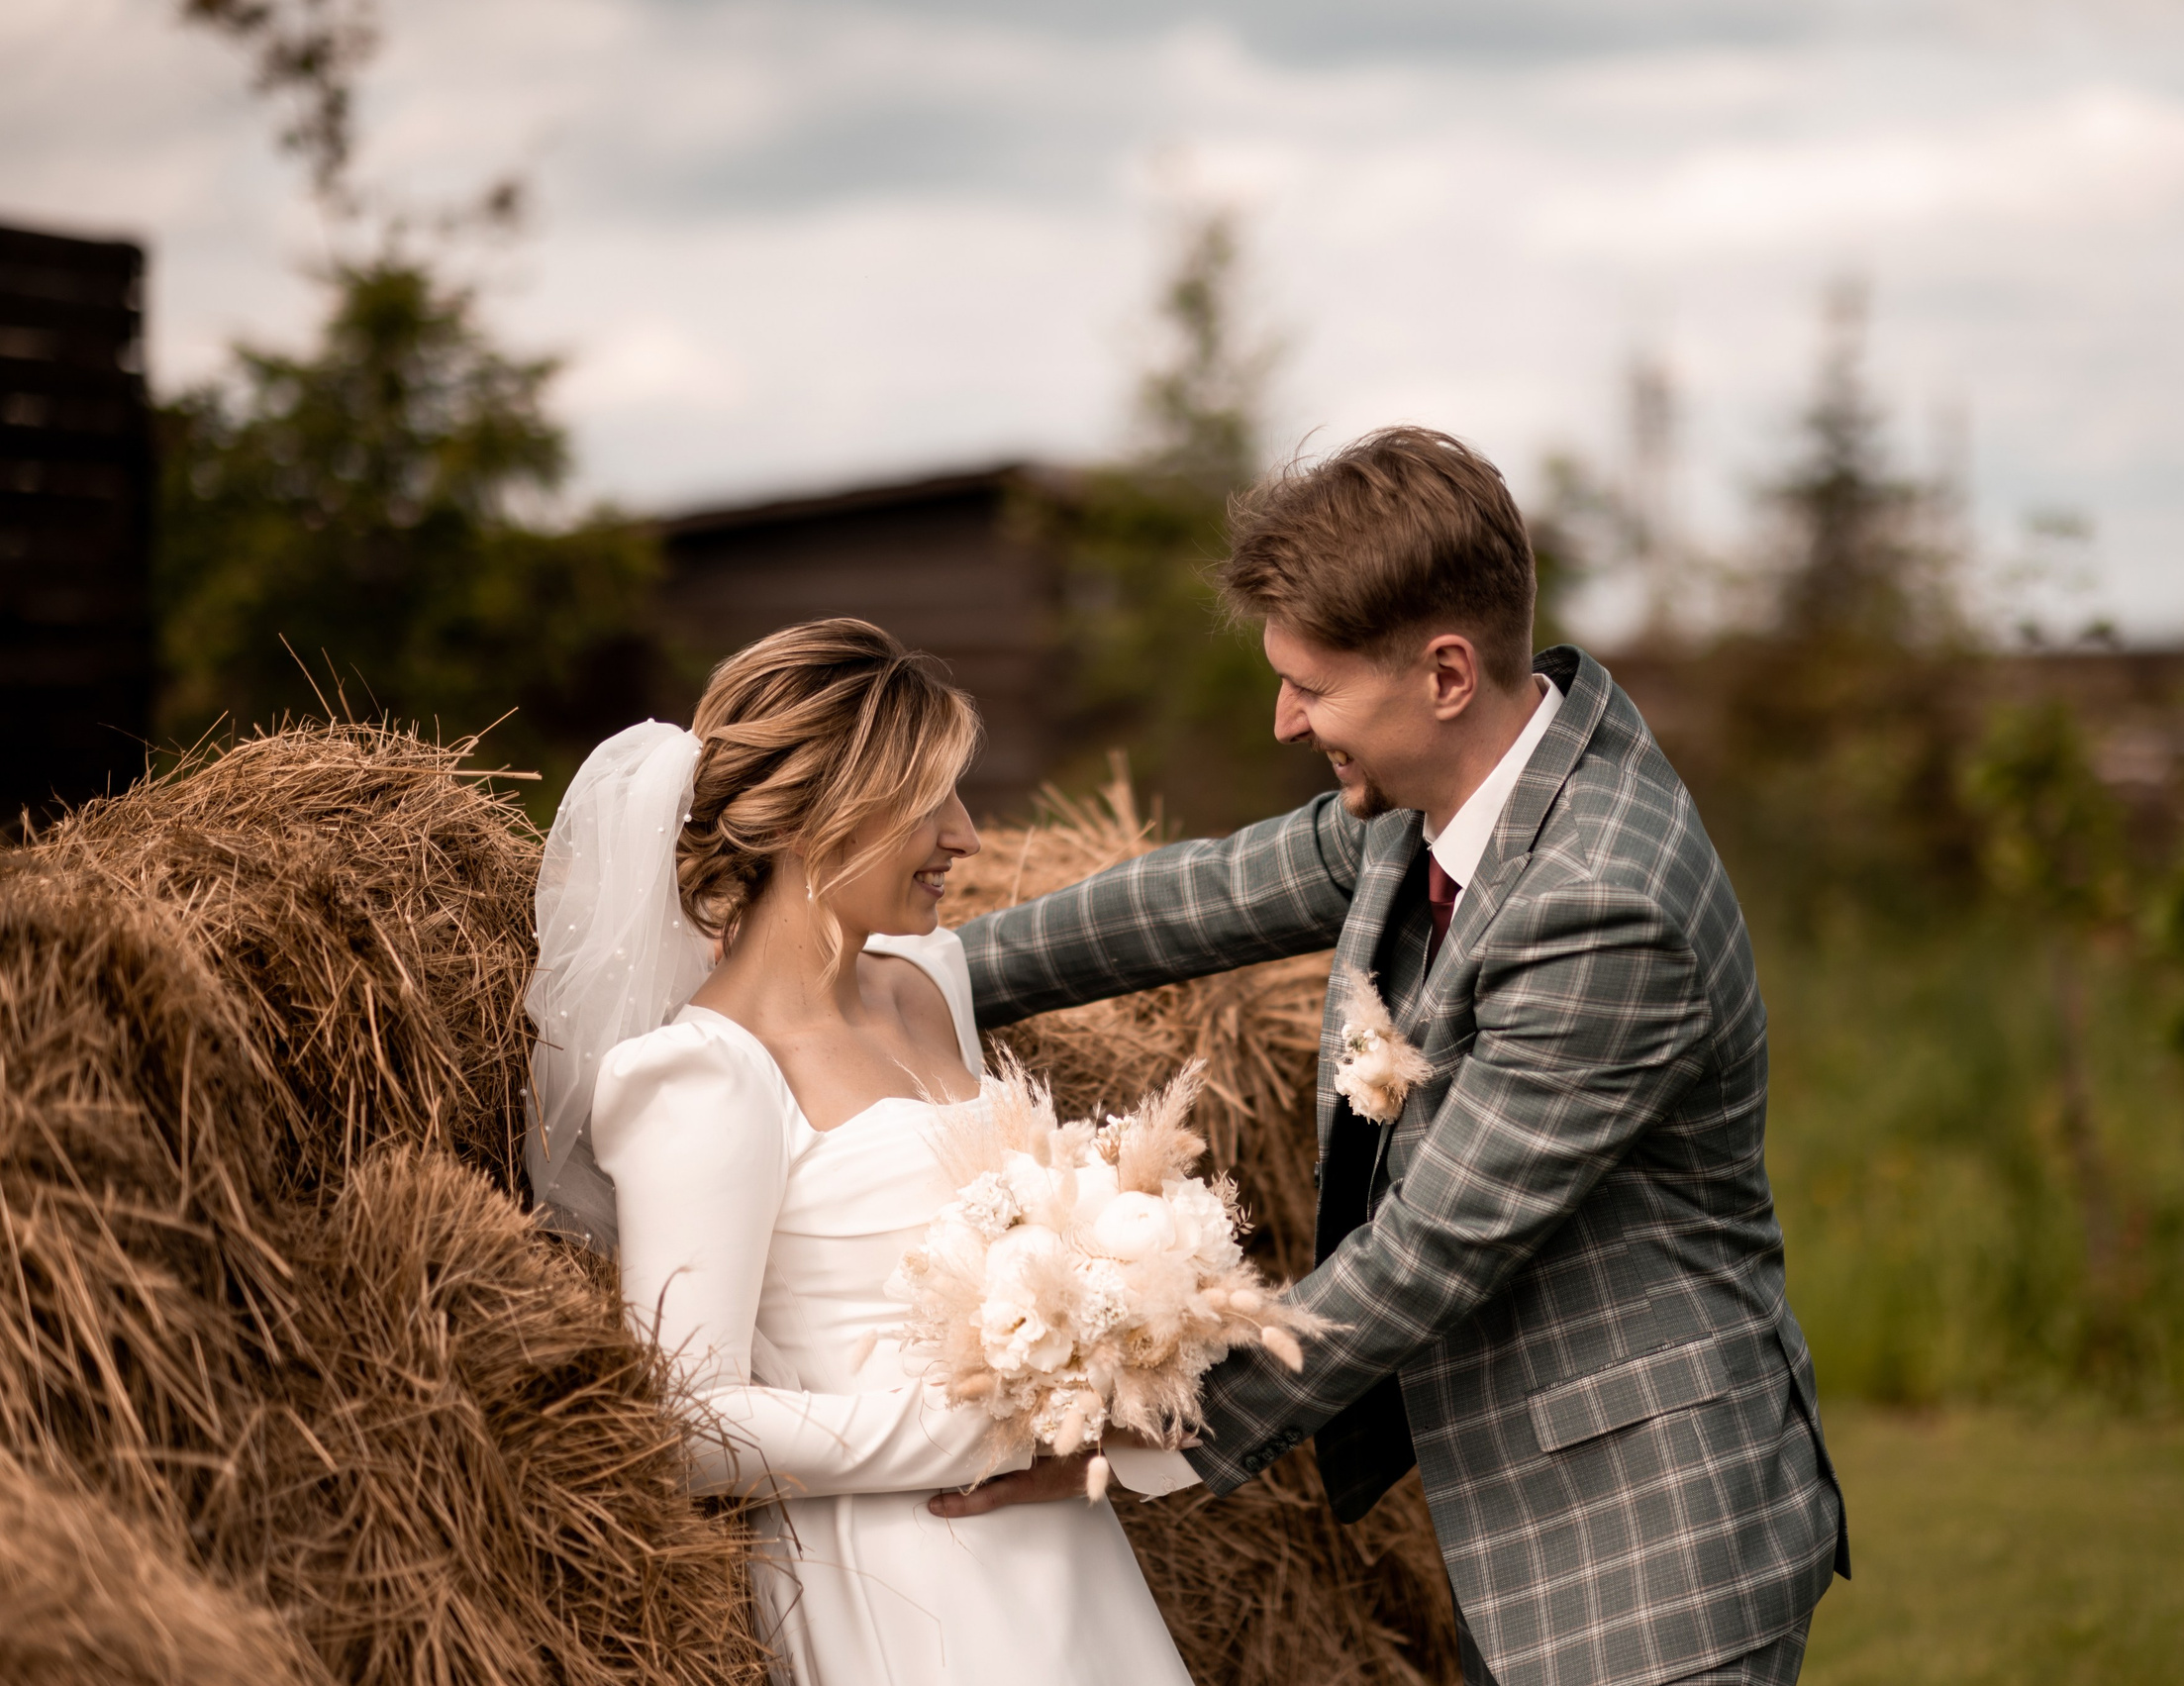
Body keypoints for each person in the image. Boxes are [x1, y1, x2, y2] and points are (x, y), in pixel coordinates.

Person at [940, 428, 1849, 1686]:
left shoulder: (1602, 905)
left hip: (1650, 1541)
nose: (1283, 718)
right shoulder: (1442, 799)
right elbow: (1196, 897)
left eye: (1310, 686)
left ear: (1443, 673)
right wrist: (915, 975)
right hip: (1519, 1516)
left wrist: (1115, 1437)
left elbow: (1425, 1253)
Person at [526, 621, 1196, 1686]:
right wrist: (998, 1430)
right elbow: (689, 1419)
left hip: (1069, 1557)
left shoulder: (928, 982)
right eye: (932, 800)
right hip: (917, 1586)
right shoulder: (702, 1074)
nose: (967, 835)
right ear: (819, 815)